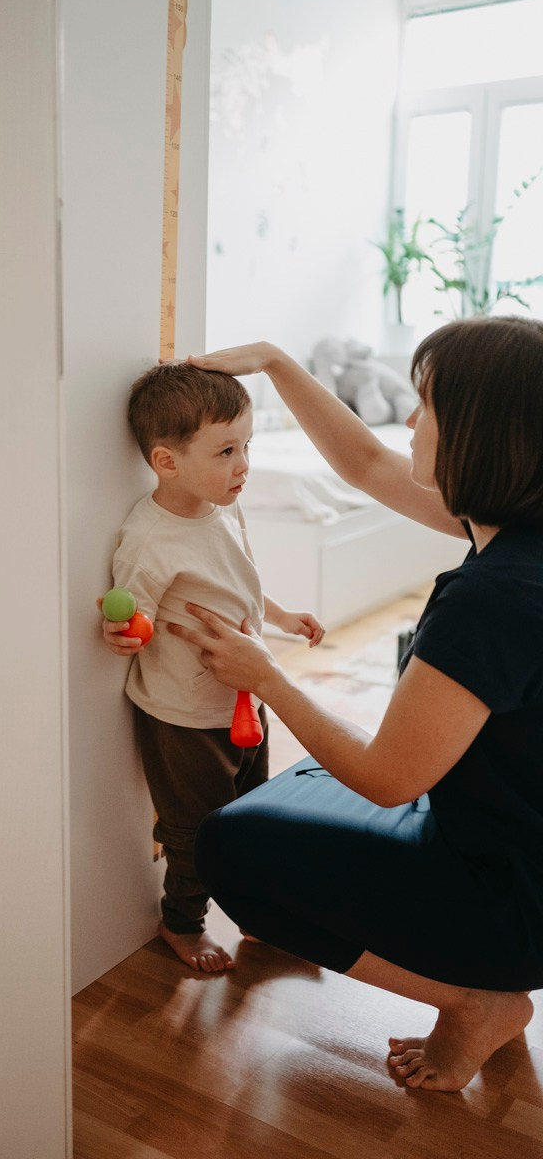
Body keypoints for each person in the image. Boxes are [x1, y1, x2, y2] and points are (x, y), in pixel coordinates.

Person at [164, 315, 543, 1089]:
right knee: (299, 789)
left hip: (512, 891)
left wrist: (265, 675)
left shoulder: (493, 599)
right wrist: (274, 361)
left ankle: (476, 1000)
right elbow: (368, 464)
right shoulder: (522, 525)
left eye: (426, 405)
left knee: (227, 850)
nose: (407, 422)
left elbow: (385, 779)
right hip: (520, 843)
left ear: (479, 431)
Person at [101, 363, 324, 973]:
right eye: (227, 450)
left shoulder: (224, 508)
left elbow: (240, 583)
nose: (244, 464)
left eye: (246, 446)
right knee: (195, 832)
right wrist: (126, 631)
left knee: (254, 815)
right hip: (186, 715)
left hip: (244, 697)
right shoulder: (151, 537)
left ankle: (257, 914)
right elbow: (134, 613)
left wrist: (278, 616)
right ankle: (182, 924)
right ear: (167, 461)